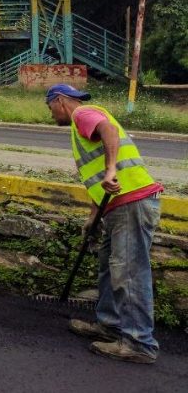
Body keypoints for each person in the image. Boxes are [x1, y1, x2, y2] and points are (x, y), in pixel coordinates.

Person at [46, 84, 163, 364]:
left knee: (129, 273)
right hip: (117, 206)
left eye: (50, 108)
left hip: (130, 202)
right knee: (108, 268)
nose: (51, 115)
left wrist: (111, 170)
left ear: (61, 101)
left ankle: (139, 343)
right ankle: (110, 325)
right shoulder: (81, 126)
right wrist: (91, 218)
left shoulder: (83, 113)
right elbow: (97, 177)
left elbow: (107, 130)